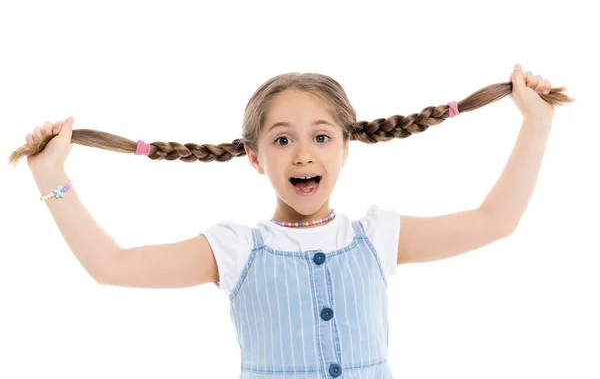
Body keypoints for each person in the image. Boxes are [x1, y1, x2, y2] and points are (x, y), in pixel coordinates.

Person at [9, 64, 573, 378]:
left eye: (321, 137)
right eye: (283, 140)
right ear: (255, 157)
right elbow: (112, 266)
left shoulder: (375, 237)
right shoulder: (234, 248)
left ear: (347, 149)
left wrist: (536, 124)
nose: (304, 155)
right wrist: (49, 177)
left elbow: (495, 220)